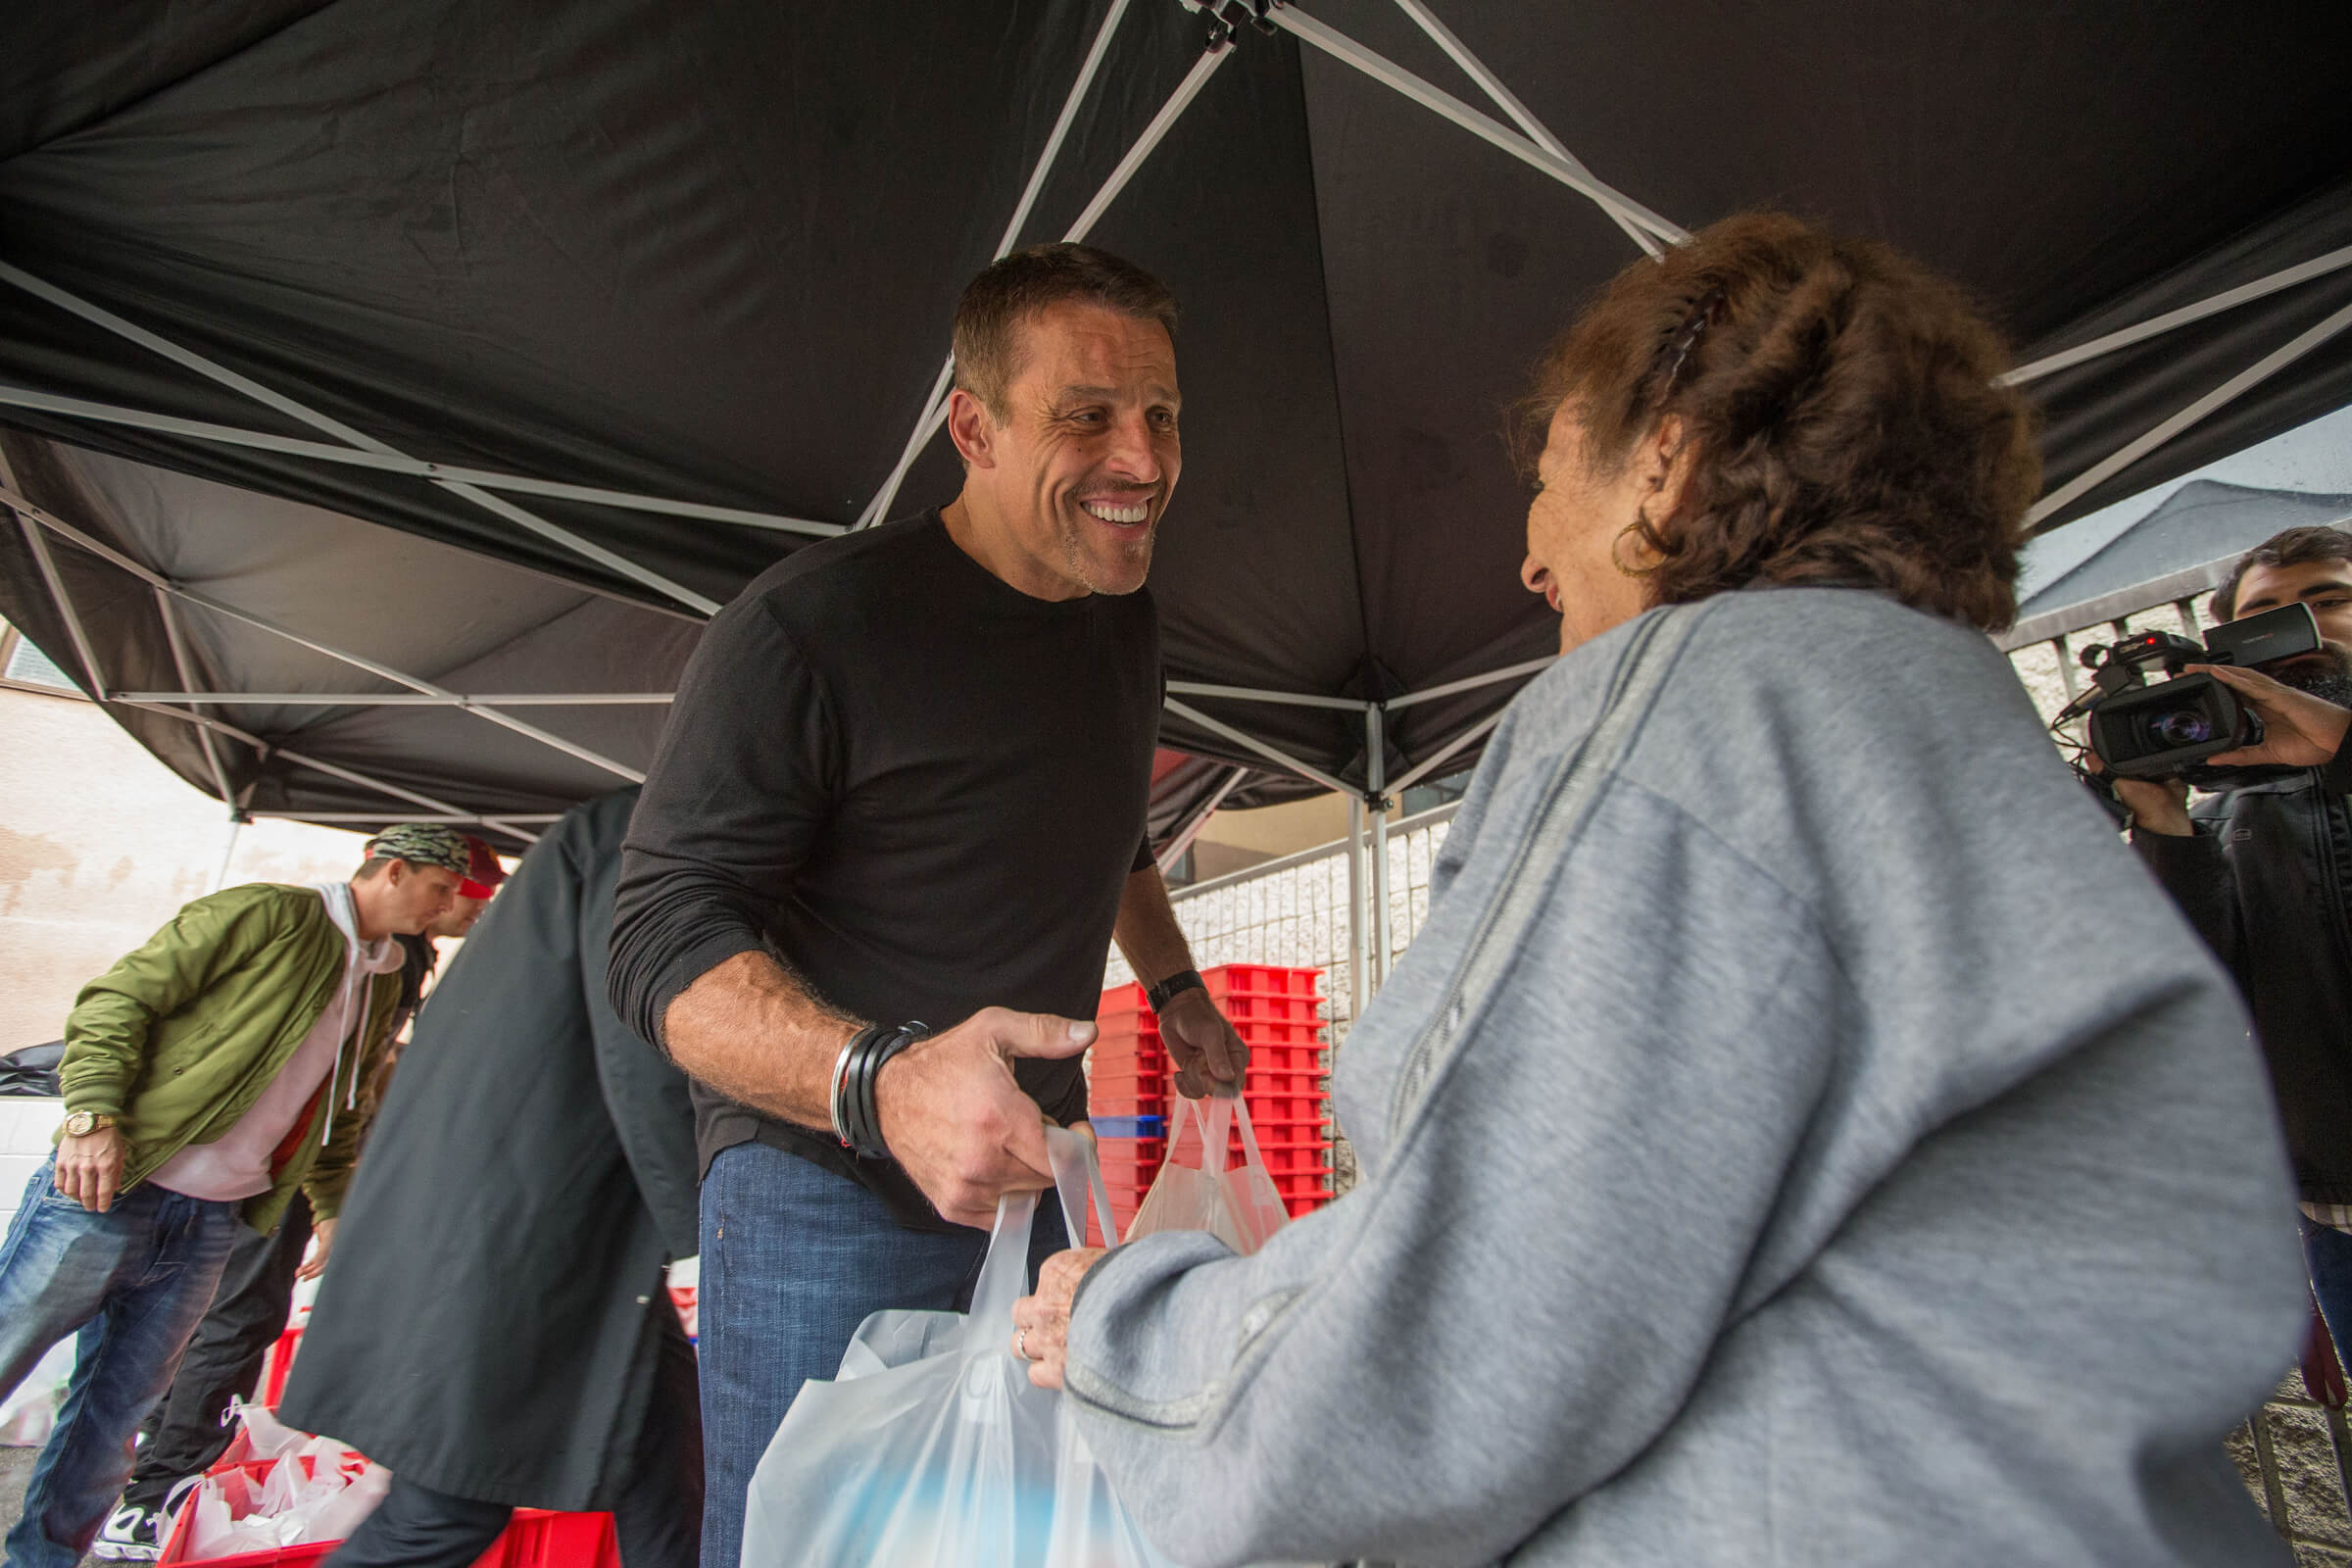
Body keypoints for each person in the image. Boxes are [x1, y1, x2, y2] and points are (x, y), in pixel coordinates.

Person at [1012, 214, 2307, 1565]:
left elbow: (1472, 1334)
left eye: (1556, 477)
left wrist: (1132, 1322)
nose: (1529, 561)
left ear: (1667, 469)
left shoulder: (1704, 701)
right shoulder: (1957, 725)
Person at [606, 241, 1250, 1568]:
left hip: (1046, 1186)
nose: (1143, 459)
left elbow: (1109, 823)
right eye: (1087, 416)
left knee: (1023, 1535)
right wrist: (885, 1082)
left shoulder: (1121, 616)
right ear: (975, 427)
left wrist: (1174, 983)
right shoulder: (806, 629)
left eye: (1163, 416)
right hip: (819, 1191)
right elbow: (655, 931)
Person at [0, 824, 470, 1568]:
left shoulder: (382, 976)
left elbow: (334, 1111)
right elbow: (116, 999)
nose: (449, 906)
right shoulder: (268, 913)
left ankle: (42, 1560)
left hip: (213, 1220)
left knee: (115, 1419)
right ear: (393, 871)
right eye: (442, 888)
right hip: (113, 1186)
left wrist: (331, 1207)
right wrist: (90, 1115)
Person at [278, 790, 701, 1568]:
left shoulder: (624, 829)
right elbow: (644, 1040)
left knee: (673, 1474)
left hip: (555, 1230)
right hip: (513, 1229)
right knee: (444, 1510)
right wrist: (707, 1226)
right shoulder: (650, 831)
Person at [2106, 524, 2352, 1353]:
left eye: (2330, 599)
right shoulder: (2229, 820)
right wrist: (2165, 825)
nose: (2303, 627)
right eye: (2267, 612)